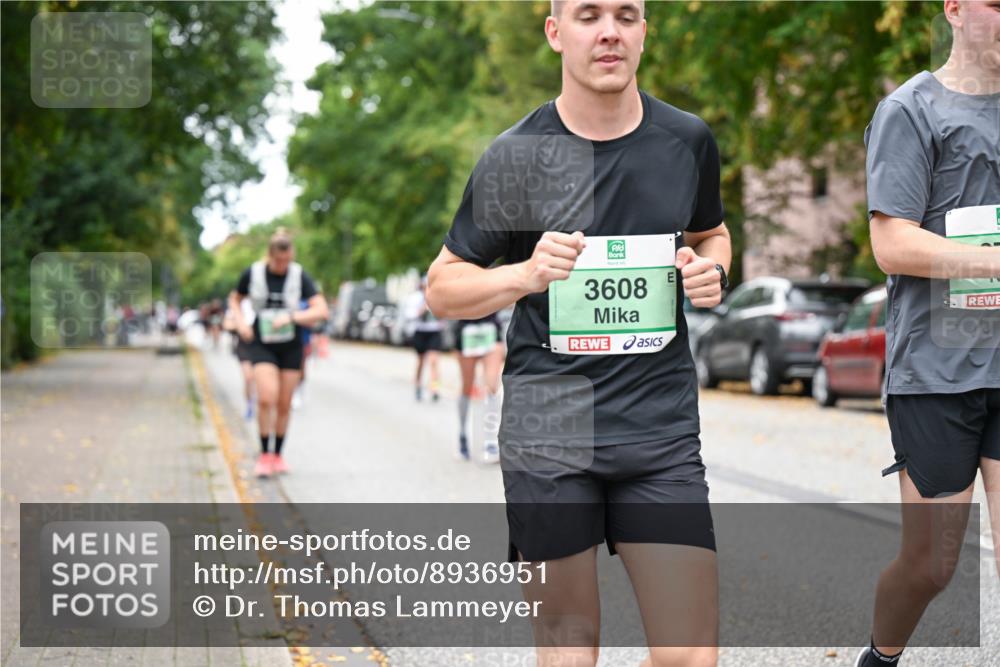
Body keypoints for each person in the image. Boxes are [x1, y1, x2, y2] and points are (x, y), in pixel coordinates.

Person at [427, 2, 731, 665]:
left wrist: (712, 268)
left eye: (626, 15)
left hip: (657, 425)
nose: (609, 31)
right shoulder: (517, 157)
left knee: (689, 655)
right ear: (555, 32)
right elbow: (442, 286)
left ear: (644, 31)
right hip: (551, 426)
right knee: (570, 647)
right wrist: (524, 274)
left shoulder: (686, 140)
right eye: (589, 14)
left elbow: (712, 230)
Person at [856, 2, 1000, 665]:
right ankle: (880, 656)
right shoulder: (911, 110)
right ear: (955, 9)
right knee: (932, 566)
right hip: (938, 374)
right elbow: (892, 244)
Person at [229, 228, 329, 478]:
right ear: (270, 256)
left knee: (284, 403)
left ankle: (278, 455)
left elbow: (321, 310)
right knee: (266, 398)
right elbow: (235, 299)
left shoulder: (299, 275)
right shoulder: (253, 273)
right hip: (261, 343)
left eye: (287, 260)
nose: (283, 265)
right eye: (278, 260)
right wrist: (240, 323)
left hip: (290, 344)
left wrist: (292, 317)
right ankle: (264, 454)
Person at [454, 313, 505, 462]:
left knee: (492, 385)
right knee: (467, 386)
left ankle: (491, 441)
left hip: (490, 328)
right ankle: (463, 434)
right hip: (467, 329)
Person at [404, 277, 443, 402]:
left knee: (433, 361)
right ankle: (418, 385)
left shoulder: (439, 298)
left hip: (434, 332)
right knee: (421, 361)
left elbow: (445, 315)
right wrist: (422, 309)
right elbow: (409, 315)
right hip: (420, 332)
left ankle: (435, 389)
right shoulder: (415, 298)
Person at [223, 297, 257, 419]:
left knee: (259, 378)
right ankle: (250, 405)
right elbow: (227, 324)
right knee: (248, 378)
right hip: (244, 345)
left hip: (261, 345)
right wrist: (242, 326)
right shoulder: (238, 303)